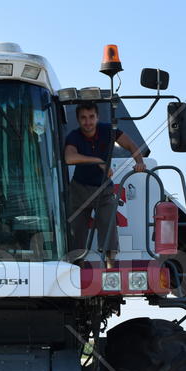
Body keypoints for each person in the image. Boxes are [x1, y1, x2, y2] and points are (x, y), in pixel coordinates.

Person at [64, 103, 146, 268]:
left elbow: (130, 145)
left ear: (97, 117)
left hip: (104, 189)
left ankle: (110, 266)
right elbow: (69, 158)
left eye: (91, 117)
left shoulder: (108, 131)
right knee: (77, 229)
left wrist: (140, 162)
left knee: (108, 224)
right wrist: (98, 161)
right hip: (79, 189)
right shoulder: (74, 136)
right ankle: (77, 265)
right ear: (78, 120)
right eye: (83, 118)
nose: (88, 122)